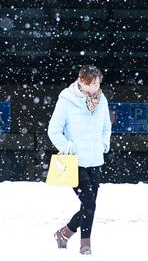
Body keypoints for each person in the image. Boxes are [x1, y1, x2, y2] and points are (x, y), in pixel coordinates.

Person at [47, 65, 112, 255]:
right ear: (80, 81)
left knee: (88, 205)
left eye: (97, 83)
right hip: (74, 162)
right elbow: (53, 130)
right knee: (90, 204)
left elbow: (106, 127)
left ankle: (64, 233)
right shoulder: (67, 100)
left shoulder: (102, 101)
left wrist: (104, 144)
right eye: (90, 84)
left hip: (96, 160)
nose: (94, 88)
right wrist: (68, 148)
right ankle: (86, 244)